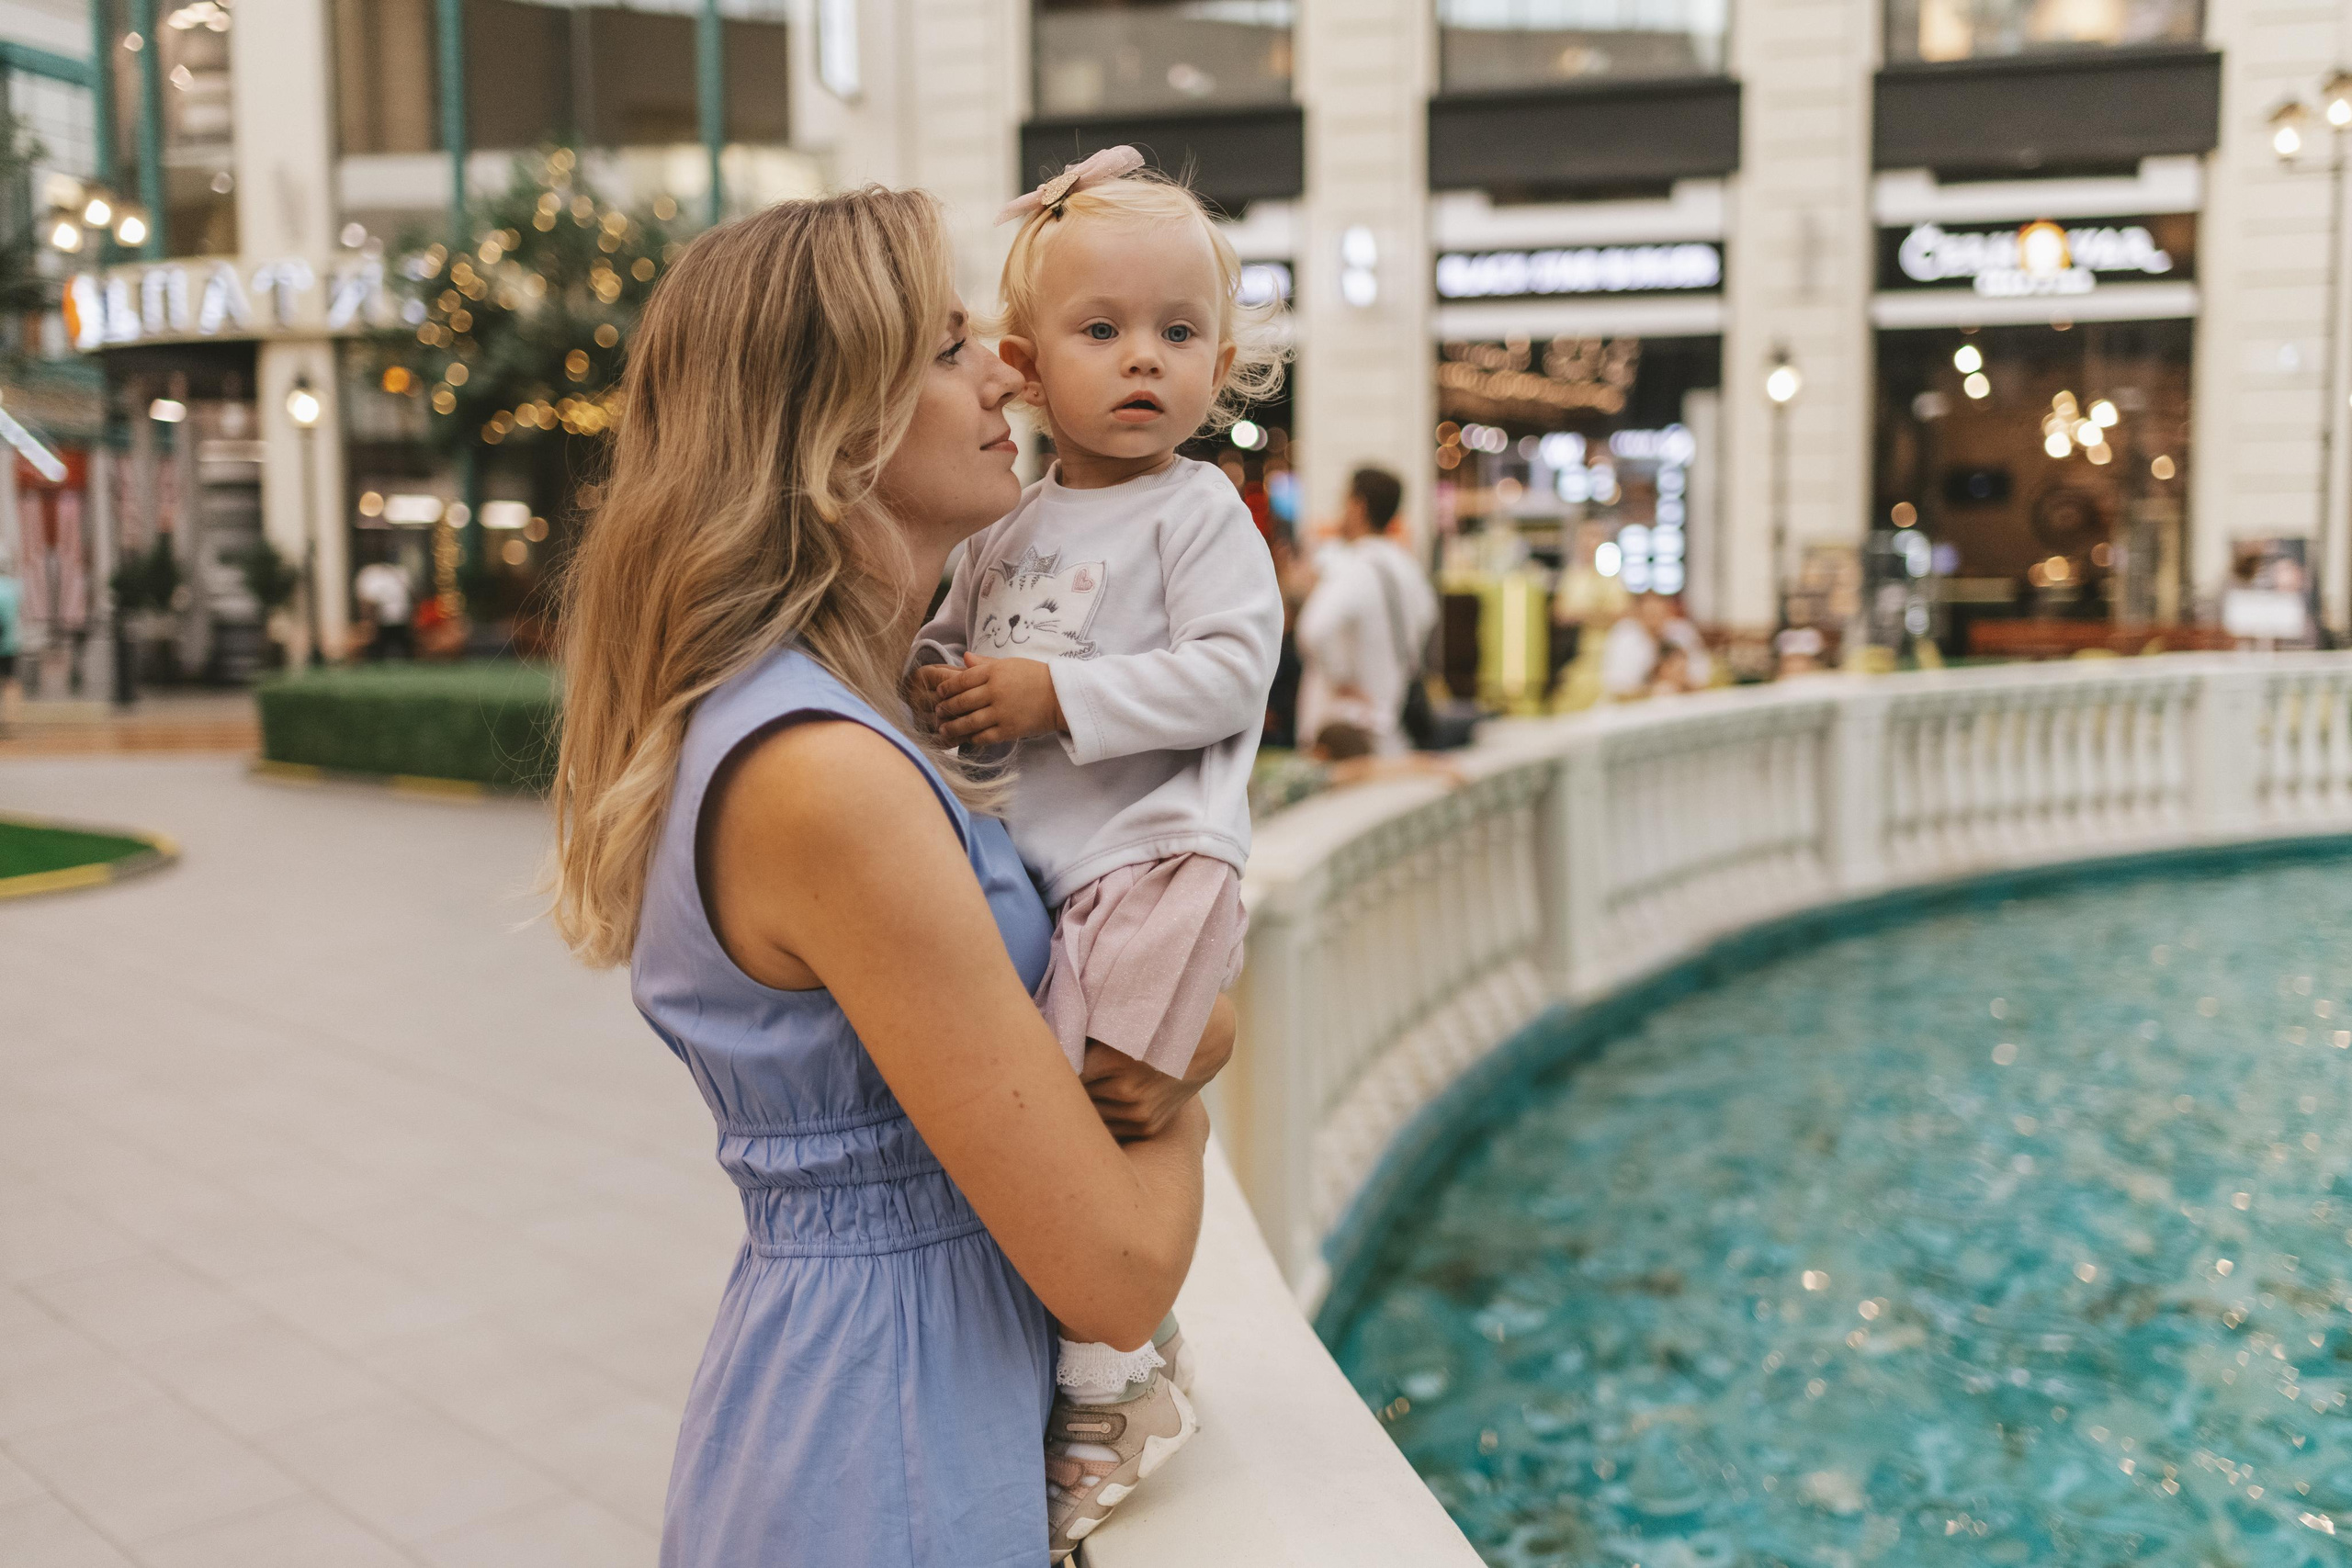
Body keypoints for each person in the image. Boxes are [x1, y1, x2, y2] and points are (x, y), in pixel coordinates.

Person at [548, 187, 1232, 1568]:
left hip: (870, 1408)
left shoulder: (844, 720)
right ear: (832, 428)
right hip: (889, 1453)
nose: (1007, 372)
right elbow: (1112, 1268)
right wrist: (1184, 1096)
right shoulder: (824, 773)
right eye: (945, 347)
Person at [909, 149, 1283, 1559]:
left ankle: (1115, 1381)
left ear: (1221, 366)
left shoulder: (1196, 511)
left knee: (1085, 1109)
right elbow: (947, 639)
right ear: (1023, 361)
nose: (1144, 360)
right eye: (1103, 329)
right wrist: (938, 673)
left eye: (1179, 333)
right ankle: (1116, 1361)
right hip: (1054, 872)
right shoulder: (1004, 522)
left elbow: (1234, 672)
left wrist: (1055, 696)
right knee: (1055, 1106)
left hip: (1154, 861)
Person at [1294, 466, 1439, 755]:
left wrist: (1341, 678)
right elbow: (1428, 616)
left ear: (1357, 506)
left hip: (1341, 728)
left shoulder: (1353, 567)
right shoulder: (1407, 566)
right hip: (1391, 721)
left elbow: (1314, 629)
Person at [1600, 592, 1713, 700]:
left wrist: (1679, 685)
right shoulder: (1625, 636)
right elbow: (1618, 689)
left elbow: (1702, 676)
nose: (1656, 620)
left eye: (1661, 613)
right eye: (1651, 614)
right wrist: (1654, 691)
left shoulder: (1682, 632)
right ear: (1638, 614)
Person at [353, 552, 415, 660]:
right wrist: (369, 621)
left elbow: (411, 595)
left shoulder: (400, 572)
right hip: (380, 622)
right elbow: (366, 601)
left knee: (404, 652)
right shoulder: (369, 573)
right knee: (377, 654)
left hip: (401, 621)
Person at [0, 557, 21, 729]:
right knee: (10, 680)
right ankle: (11, 717)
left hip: (5, 640)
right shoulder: (14, 587)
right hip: (10, 643)